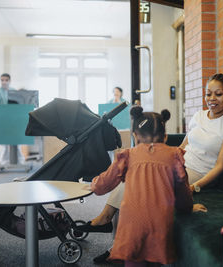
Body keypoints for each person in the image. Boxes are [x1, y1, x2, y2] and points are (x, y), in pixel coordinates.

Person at [80, 73, 223, 263]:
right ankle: (115, 242)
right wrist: (161, 156)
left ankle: (108, 226)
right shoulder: (199, 116)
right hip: (181, 163)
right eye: (208, 94)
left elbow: (220, 167)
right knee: (130, 177)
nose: (212, 99)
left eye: (218, 94)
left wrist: (195, 186)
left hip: (197, 172)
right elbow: (183, 146)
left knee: (134, 183)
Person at [86, 106, 206, 267]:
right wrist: (188, 208)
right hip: (160, 225)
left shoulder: (127, 156)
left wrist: (94, 184)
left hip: (132, 225)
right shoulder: (174, 156)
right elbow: (182, 192)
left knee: (133, 261)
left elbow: (104, 184)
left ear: (135, 136)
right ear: (164, 137)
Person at [0, 73, 25, 165]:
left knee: (17, 141)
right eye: (2, 80)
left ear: (9, 81)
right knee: (4, 142)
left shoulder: (13, 91)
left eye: (6, 80)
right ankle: (3, 162)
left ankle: (21, 161)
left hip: (14, 120)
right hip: (3, 120)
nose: (4, 82)